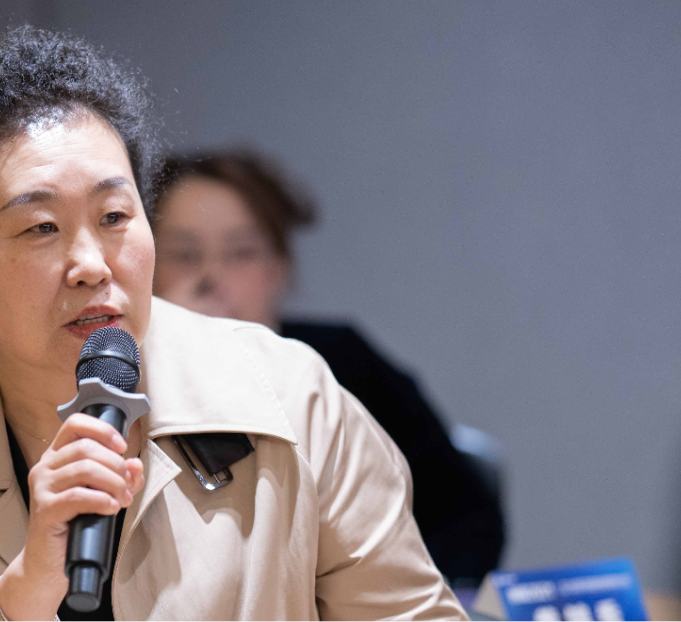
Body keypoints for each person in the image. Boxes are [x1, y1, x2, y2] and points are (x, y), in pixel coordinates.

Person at [0, 26, 466, 620]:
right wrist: (22, 593)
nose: (91, 264)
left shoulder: (294, 401)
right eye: (41, 228)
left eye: (114, 216)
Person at [152, 150, 505, 584]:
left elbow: (463, 518)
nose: (212, 276)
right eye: (185, 255)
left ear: (279, 268)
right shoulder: (124, 381)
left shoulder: (343, 365)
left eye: (241, 253)